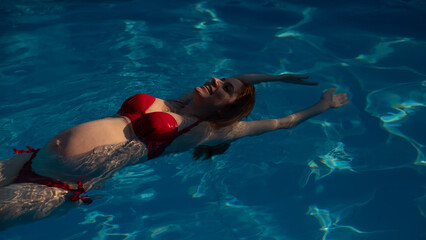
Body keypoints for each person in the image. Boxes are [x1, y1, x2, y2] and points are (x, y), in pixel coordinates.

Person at [0, 73, 348, 229]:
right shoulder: (177, 100)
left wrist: (322, 105)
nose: (214, 79)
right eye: (220, 77)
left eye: (223, 88)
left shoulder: (204, 131)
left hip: (57, 188)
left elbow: (283, 123)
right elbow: (241, 78)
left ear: (224, 109)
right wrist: (278, 77)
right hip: (32, 159)